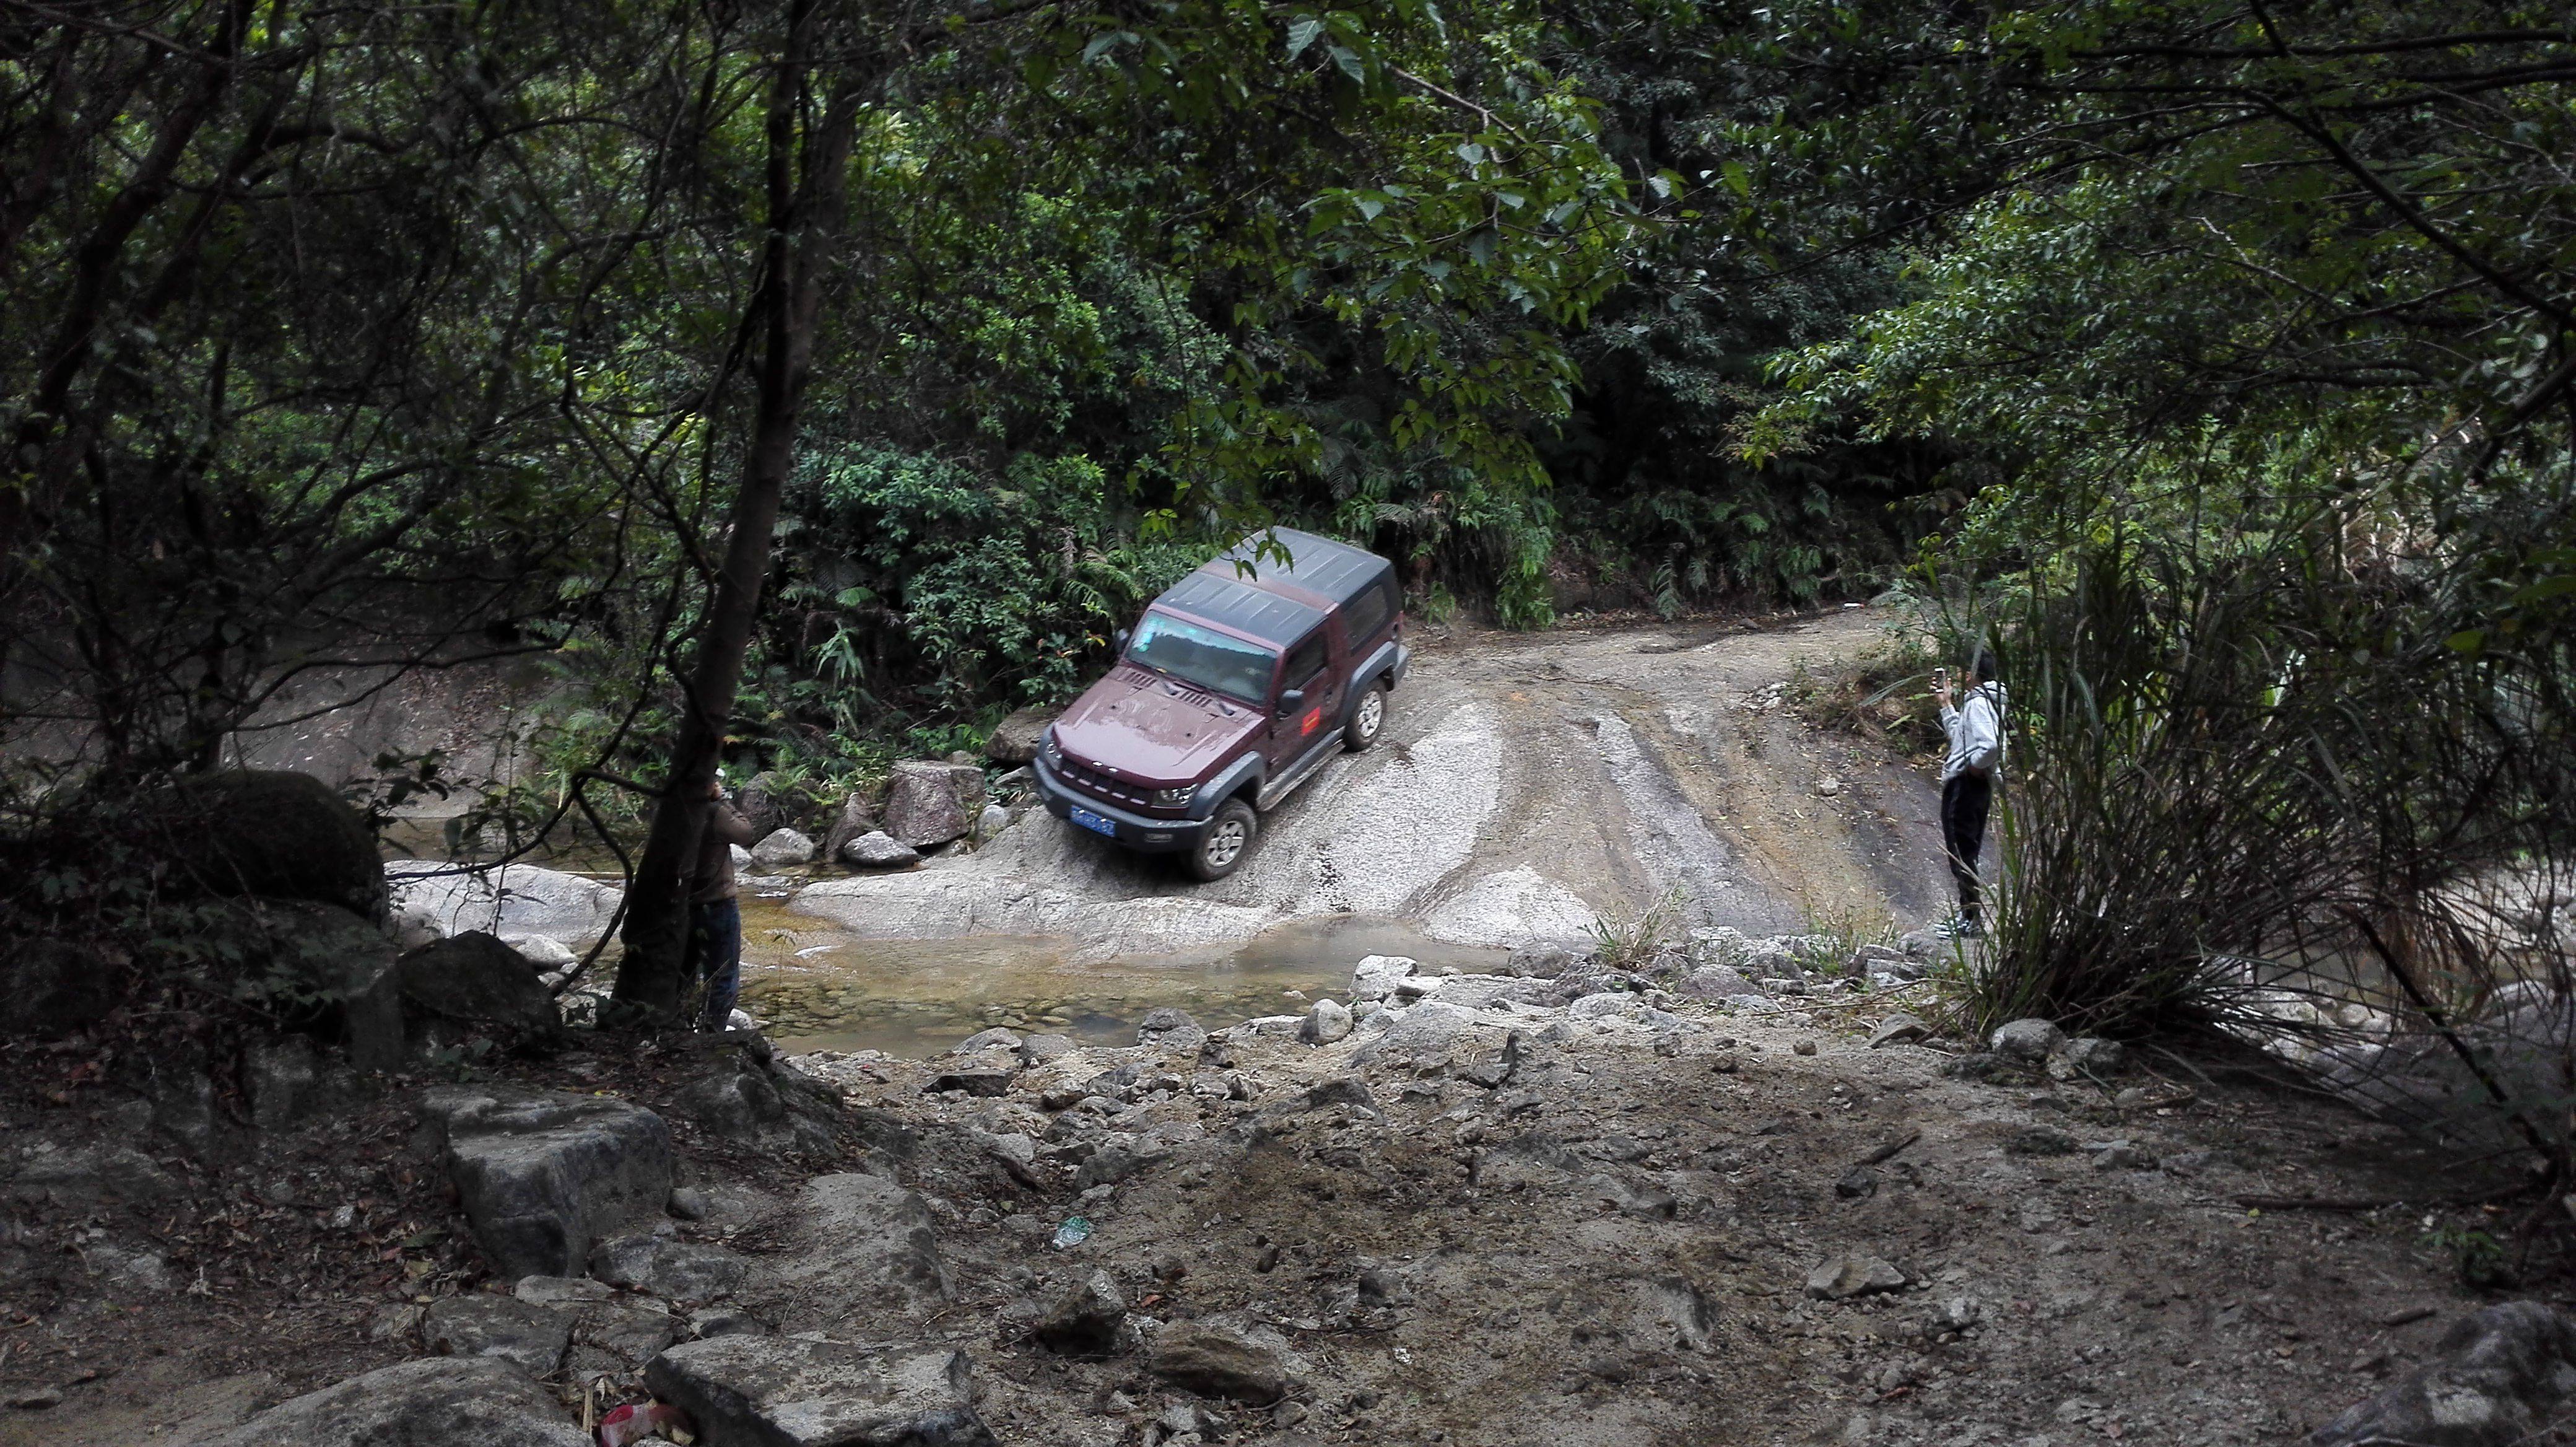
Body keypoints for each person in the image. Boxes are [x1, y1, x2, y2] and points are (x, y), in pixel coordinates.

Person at [1933, 647, 2007, 939]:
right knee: (1967, 850)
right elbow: (1962, 740)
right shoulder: (1988, 701)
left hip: (1965, 784)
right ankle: (1968, 915)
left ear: (1974, 675)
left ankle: (1972, 920)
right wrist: (1946, 705)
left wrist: (1973, 769)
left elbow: (1990, 746)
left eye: (1966, 671)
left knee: (1961, 852)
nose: (1962, 676)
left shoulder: (1979, 704)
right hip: (1977, 785)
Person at [684, 778, 759, 1031]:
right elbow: (746, 833)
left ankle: (679, 1028)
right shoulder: (714, 812)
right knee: (723, 975)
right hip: (717, 903)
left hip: (683, 905)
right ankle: (712, 1032)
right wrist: (722, 799)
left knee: (685, 973)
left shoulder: (675, 810)